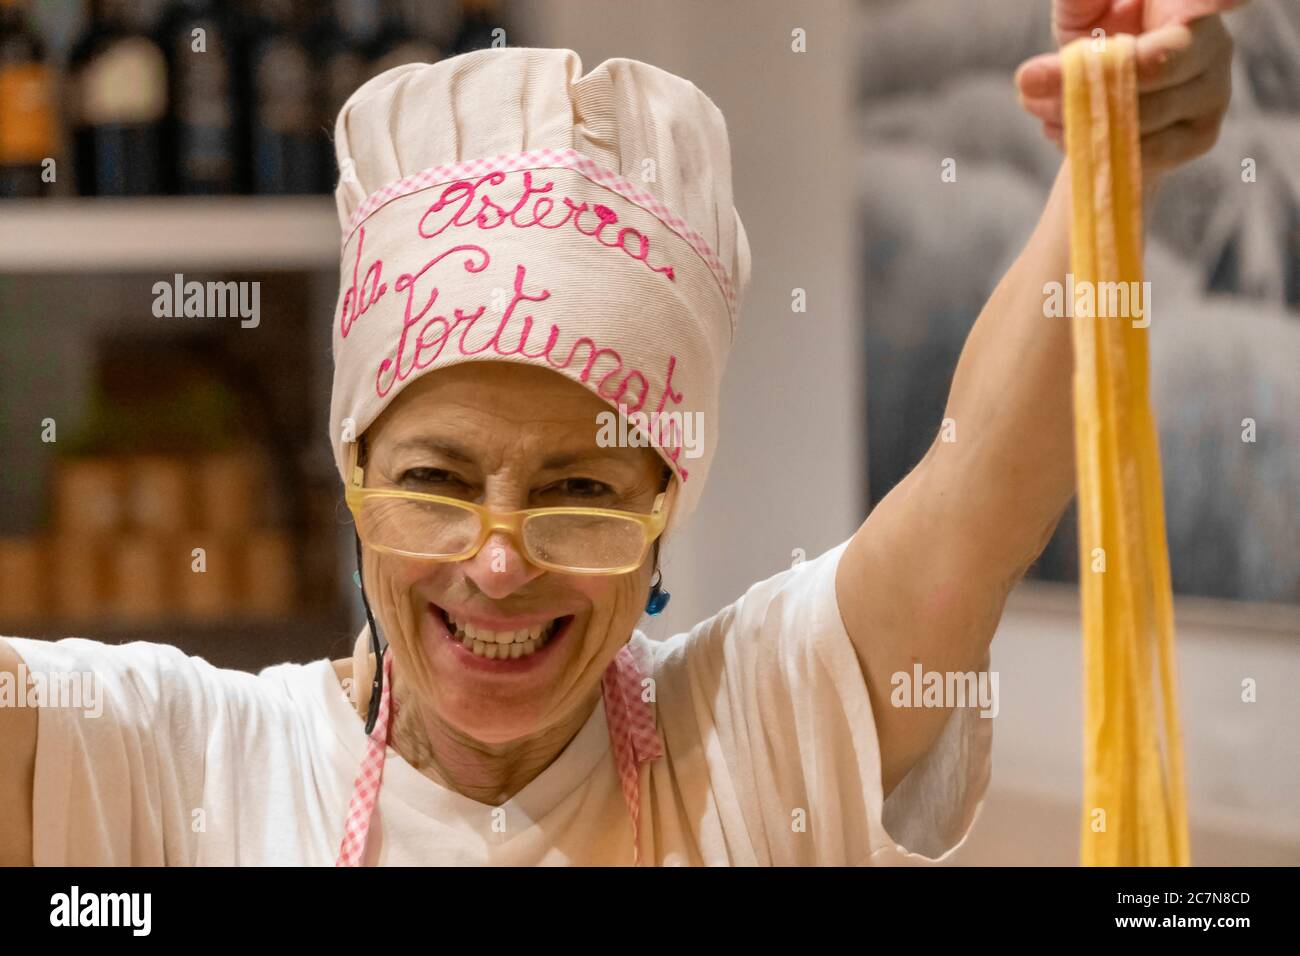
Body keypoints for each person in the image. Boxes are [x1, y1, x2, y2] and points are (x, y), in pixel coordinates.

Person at [0, 0, 1239, 865]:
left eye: (578, 488)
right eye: (435, 478)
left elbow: (979, 485)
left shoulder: (753, 738)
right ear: (354, 473)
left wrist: (1106, 169)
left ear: (664, 510)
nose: (497, 560)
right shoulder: (169, 766)